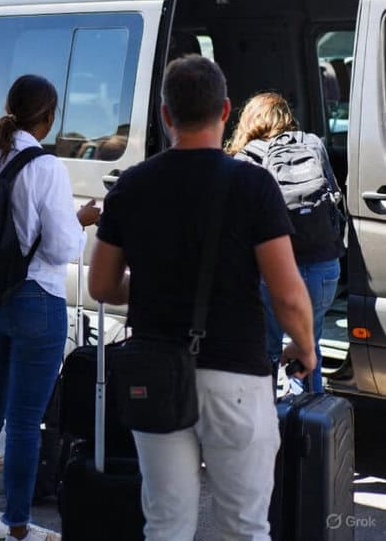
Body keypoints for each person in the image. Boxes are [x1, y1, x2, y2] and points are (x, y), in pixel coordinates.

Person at [89, 55, 316, 541]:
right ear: (226, 110)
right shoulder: (253, 184)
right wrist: (305, 346)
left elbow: (102, 286)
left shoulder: (131, 185)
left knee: (166, 524)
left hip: (156, 373)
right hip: (237, 376)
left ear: (165, 114)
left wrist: (151, 288)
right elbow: (287, 293)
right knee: (244, 527)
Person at [0, 74, 100, 541]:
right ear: (48, 116)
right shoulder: (46, 166)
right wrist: (82, 221)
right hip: (36, 298)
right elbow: (62, 247)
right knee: (26, 421)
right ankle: (19, 526)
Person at [226, 91, 343, 393]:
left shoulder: (245, 158)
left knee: (267, 350)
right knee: (308, 348)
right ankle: (313, 416)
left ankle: (271, 415)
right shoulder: (313, 143)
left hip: (273, 272)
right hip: (324, 267)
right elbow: (334, 198)